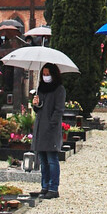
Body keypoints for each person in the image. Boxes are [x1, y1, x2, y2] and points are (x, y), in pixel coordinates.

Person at [31, 64, 66, 199]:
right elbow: (38, 109)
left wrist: (51, 124)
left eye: (47, 74)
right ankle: (44, 186)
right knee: (43, 160)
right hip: (40, 126)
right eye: (44, 74)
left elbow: (59, 110)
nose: (45, 77)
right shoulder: (41, 88)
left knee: (52, 159)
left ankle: (53, 187)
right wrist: (36, 104)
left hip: (51, 128)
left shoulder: (59, 89)